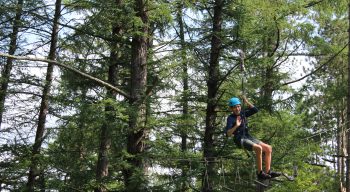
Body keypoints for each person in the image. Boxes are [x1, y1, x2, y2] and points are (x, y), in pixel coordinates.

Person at [224, 96, 281, 180]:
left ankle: (268, 171)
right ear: (231, 109)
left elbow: (255, 110)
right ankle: (260, 173)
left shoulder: (243, 114)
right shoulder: (230, 118)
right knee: (258, 148)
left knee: (268, 148)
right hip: (239, 139)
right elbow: (228, 134)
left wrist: (246, 101)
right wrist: (236, 125)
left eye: (238, 106)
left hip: (248, 136)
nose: (237, 109)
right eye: (235, 107)